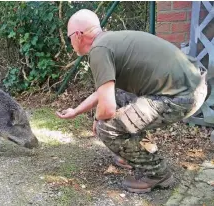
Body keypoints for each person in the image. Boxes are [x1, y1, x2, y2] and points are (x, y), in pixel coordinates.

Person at [56, 9, 208, 193]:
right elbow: (105, 92)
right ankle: (130, 153)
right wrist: (76, 111)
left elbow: (107, 109)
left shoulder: (99, 50)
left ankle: (157, 174)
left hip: (182, 96)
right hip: (194, 85)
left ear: (79, 36)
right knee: (119, 96)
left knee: (107, 127)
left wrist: (98, 119)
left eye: (69, 36)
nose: (70, 42)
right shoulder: (109, 41)